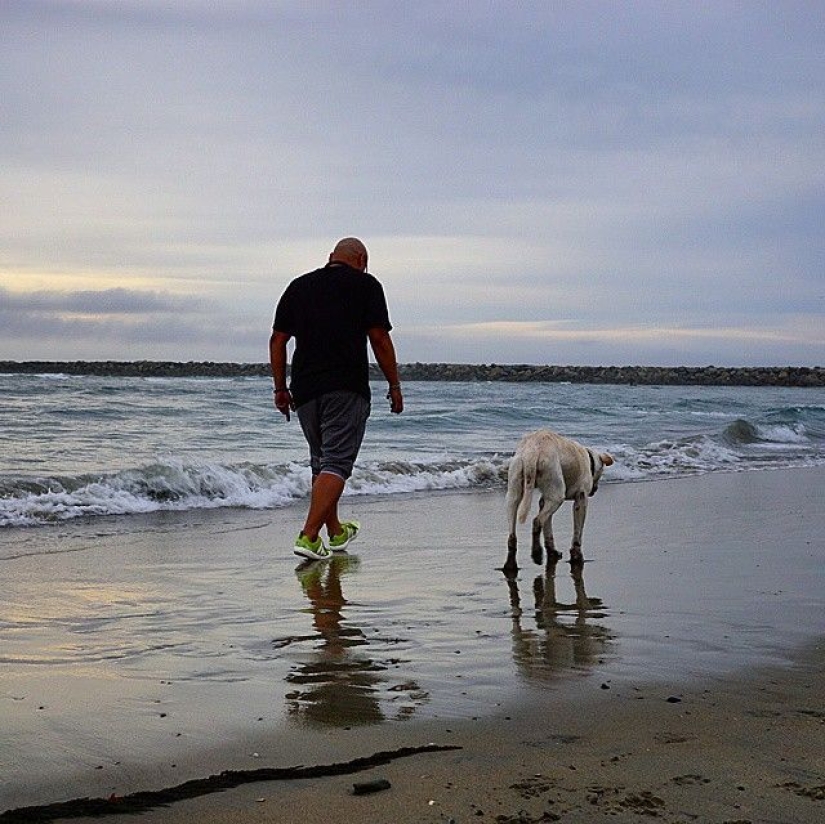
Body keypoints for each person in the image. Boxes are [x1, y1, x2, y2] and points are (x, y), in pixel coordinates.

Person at [269, 237, 403, 560]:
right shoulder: (366, 285)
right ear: (360, 260)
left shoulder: (298, 287)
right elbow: (379, 339)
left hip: (305, 390)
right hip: (346, 386)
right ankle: (308, 534)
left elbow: (278, 340)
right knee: (337, 463)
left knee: (322, 461)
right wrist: (395, 385)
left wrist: (280, 389)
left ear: (331, 257)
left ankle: (335, 530)